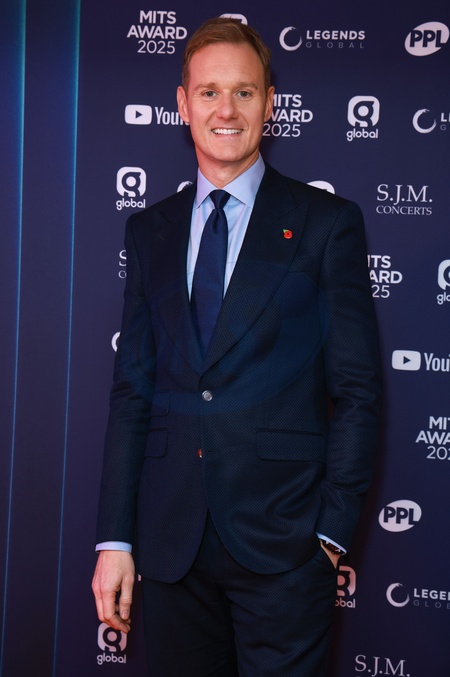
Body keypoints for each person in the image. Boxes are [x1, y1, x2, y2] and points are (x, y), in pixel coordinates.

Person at [92, 17, 382, 676]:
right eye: (209, 92)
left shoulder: (326, 224)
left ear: (269, 103)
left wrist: (330, 535)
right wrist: (115, 539)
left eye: (244, 92)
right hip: (170, 548)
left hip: (284, 550)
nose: (226, 110)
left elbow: (358, 392)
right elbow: (133, 392)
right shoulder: (149, 231)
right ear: (183, 104)